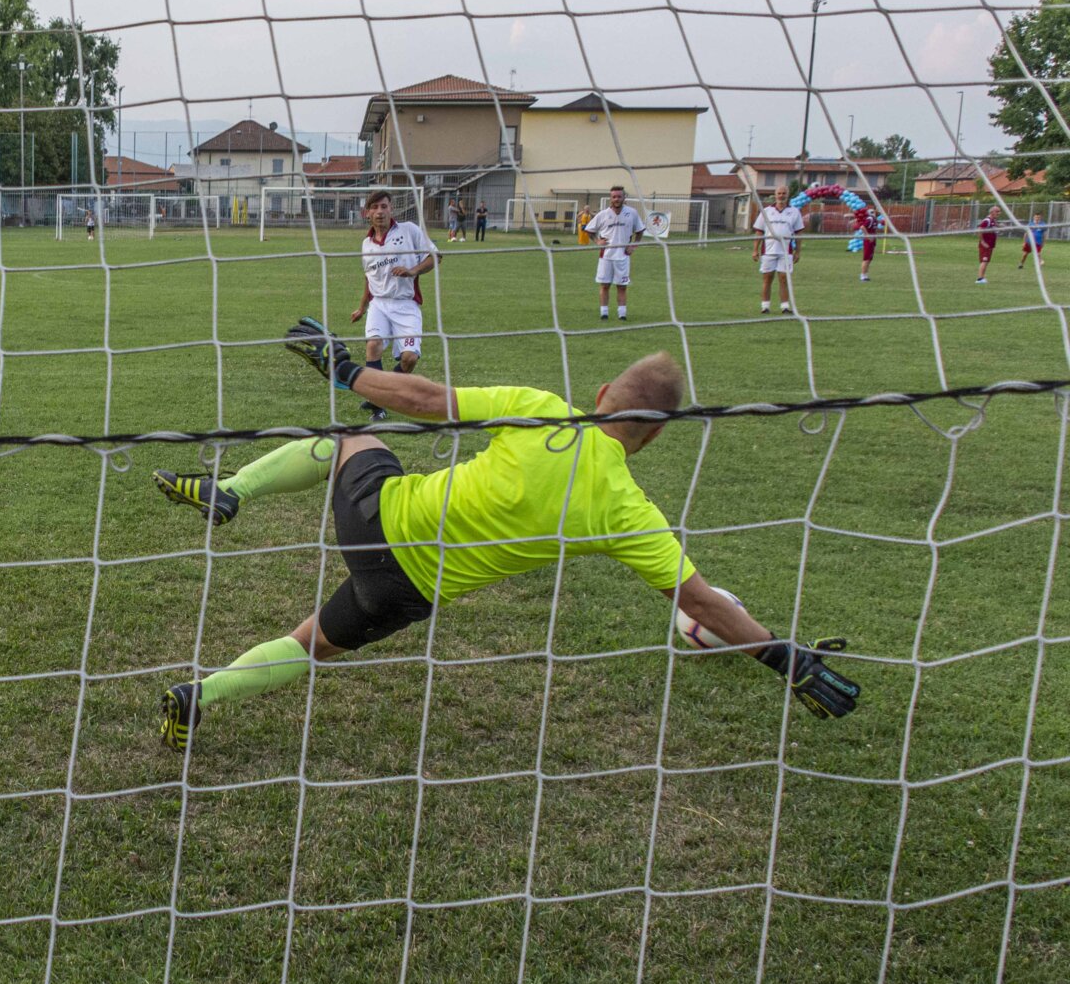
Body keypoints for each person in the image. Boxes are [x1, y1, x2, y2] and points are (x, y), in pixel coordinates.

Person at [149, 333, 860, 747]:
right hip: (405, 594)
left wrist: (347, 369)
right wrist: (783, 658)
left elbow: (428, 401)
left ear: (603, 388)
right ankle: (201, 695)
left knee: (350, 435)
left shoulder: (539, 410)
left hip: (378, 521)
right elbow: (701, 602)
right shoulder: (627, 511)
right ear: (658, 434)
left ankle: (231, 491)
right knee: (311, 645)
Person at [347, 190, 437, 423]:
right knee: (373, 346)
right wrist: (362, 307)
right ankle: (379, 405)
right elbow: (370, 279)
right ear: (367, 213)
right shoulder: (366, 244)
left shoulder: (409, 230)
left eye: (384, 206)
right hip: (379, 305)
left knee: (409, 359)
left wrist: (413, 270)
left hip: (406, 305)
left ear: (391, 209)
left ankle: (381, 396)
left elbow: (435, 257)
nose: (380, 212)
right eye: (375, 207)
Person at [586, 185, 646, 320]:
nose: (616, 199)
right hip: (605, 256)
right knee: (605, 285)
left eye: (619, 196)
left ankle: (622, 315)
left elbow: (640, 230)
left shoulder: (632, 213)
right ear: (610, 198)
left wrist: (634, 246)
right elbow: (589, 230)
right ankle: (604, 313)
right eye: (614, 197)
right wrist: (597, 242)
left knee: (622, 286)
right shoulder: (603, 214)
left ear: (624, 198)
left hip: (623, 256)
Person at [753, 194, 804, 313]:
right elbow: (759, 232)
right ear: (775, 195)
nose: (781, 196)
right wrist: (755, 249)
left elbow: (799, 233)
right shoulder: (766, 211)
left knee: (784, 279)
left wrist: (798, 251)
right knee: (767, 278)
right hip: (768, 251)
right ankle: (765, 306)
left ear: (788, 195)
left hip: (786, 252)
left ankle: (785, 307)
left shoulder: (794, 212)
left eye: (784, 193)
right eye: (779, 193)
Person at [856, 205, 880, 282]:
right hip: (868, 241)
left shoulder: (875, 220)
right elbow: (862, 227)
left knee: (869, 259)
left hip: (872, 241)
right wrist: (868, 236)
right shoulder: (870, 219)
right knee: (866, 258)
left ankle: (865, 275)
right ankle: (862, 275)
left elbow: (874, 230)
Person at [976, 209, 1000, 283]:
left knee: (986, 261)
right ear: (992, 212)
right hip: (985, 245)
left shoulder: (993, 221)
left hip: (990, 245)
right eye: (997, 211)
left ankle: (982, 277)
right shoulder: (987, 220)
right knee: (984, 261)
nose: (999, 213)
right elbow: (979, 230)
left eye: (999, 211)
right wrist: (982, 241)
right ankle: (979, 279)